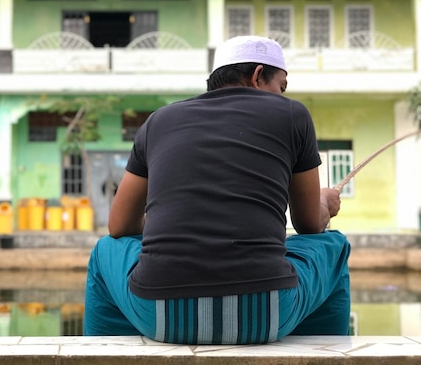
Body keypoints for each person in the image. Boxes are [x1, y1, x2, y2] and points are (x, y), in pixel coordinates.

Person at [83, 35, 350, 344]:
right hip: (268, 315)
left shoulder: (158, 121)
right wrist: (326, 203)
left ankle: (102, 353)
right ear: (256, 75)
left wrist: (159, 222)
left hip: (156, 316)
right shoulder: (292, 115)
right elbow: (308, 224)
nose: (281, 95)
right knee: (334, 246)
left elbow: (119, 226)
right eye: (281, 85)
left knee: (105, 250)